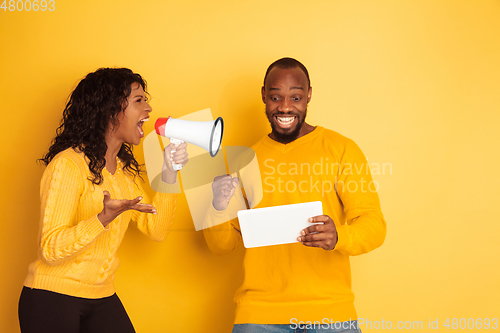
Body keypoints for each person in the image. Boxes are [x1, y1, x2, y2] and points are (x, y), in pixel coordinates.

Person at [204, 58, 387, 333]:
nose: (286, 107)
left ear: (309, 95)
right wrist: (217, 207)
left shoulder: (341, 149)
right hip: (258, 315)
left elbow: (374, 225)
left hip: (330, 314)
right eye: (276, 97)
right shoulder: (244, 161)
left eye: (296, 97)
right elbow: (221, 246)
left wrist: (339, 235)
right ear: (264, 95)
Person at [18, 68, 188, 333]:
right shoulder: (68, 165)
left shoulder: (122, 174)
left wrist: (169, 173)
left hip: (101, 297)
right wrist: (101, 219)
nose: (149, 108)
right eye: (139, 100)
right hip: (51, 298)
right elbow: (51, 249)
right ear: (110, 110)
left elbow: (156, 230)